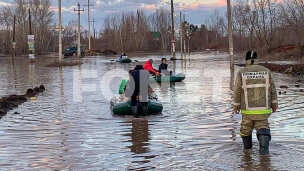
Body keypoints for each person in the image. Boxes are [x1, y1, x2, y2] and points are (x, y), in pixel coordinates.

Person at [233, 51, 278, 155]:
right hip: (263, 110)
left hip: (247, 110)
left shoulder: (242, 72)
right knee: (263, 128)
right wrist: (274, 106)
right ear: (257, 59)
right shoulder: (266, 71)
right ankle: (264, 154)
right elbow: (273, 90)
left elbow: (237, 91)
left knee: (245, 130)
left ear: (247, 60)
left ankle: (247, 154)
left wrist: (236, 107)